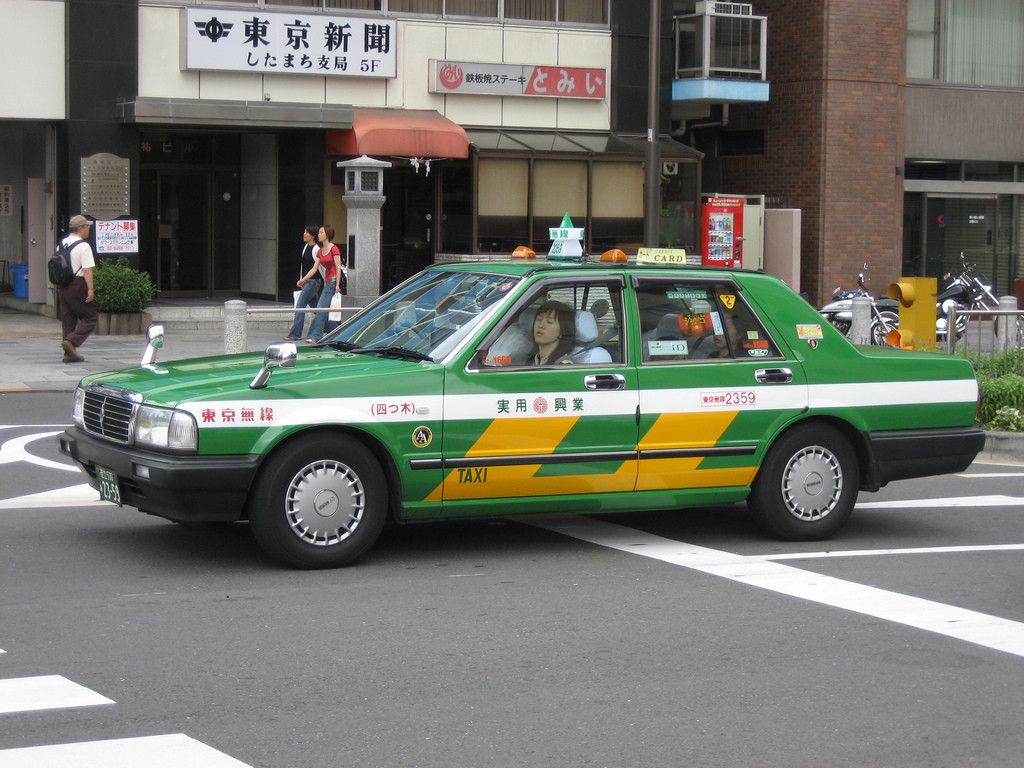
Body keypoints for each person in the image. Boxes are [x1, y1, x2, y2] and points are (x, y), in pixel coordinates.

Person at [59, 215, 97, 363]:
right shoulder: (83, 246)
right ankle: (71, 342)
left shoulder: (62, 244)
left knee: (68, 319)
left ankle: (68, 354)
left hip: (63, 285)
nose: (88, 229)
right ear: (81, 228)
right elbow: (87, 270)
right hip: (78, 284)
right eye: (87, 226)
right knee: (91, 317)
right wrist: (91, 290)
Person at [305, 224, 344, 342]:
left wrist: (337, 284)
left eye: (321, 233)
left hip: (332, 281)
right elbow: (314, 268)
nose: (319, 234)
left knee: (321, 308)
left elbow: (338, 267)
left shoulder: (334, 249)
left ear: (327, 234)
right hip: (327, 281)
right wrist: (303, 279)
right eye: (319, 233)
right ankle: (336, 333)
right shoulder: (320, 251)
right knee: (326, 309)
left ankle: (315, 336)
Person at [285, 225, 323, 341]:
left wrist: (303, 280)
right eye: (304, 232)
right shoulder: (306, 246)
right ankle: (329, 326)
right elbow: (304, 266)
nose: (304, 234)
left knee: (300, 307)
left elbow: (316, 268)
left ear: (312, 235)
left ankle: (295, 334)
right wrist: (302, 279)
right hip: (307, 282)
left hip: (313, 282)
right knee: (317, 308)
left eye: (306, 232)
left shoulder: (316, 249)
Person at [529, 300, 575, 365]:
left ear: (563, 330)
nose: (541, 325)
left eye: (549, 322)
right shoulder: (531, 360)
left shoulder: (563, 367)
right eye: (539, 319)